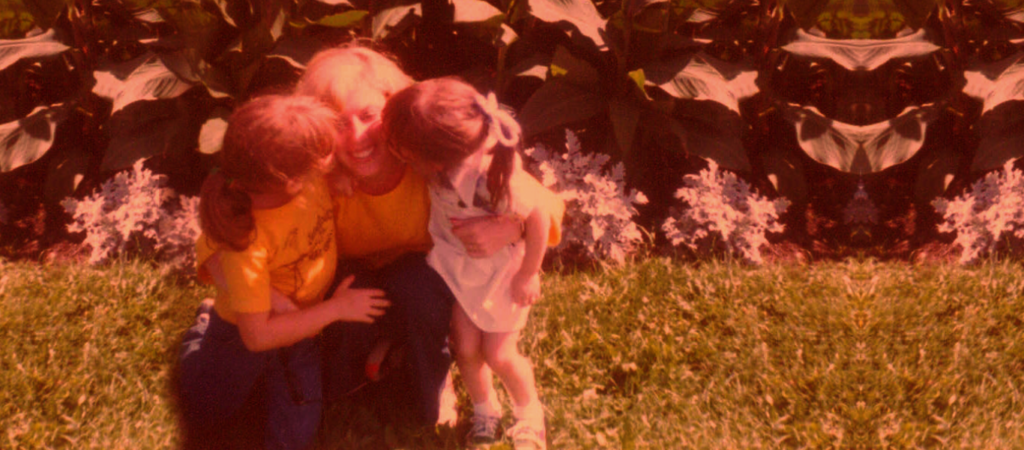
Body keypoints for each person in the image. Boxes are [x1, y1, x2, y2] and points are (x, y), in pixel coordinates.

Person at [293, 45, 563, 429]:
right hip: (353, 279)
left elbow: (546, 206)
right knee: (348, 322)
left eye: (369, 115)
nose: (356, 137)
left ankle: (435, 383)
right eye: (337, 123)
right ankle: (366, 362)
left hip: (427, 276)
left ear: (398, 109)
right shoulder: (321, 180)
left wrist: (510, 227)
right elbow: (267, 232)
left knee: (420, 292)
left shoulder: (426, 157)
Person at [175, 94, 390, 450]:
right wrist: (335, 310)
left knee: (297, 435)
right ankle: (200, 335)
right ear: (287, 179)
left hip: (299, 330)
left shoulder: (307, 181)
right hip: (241, 335)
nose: (332, 156)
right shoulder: (247, 238)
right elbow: (257, 337)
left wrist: (336, 180)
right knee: (207, 411)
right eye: (322, 155)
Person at [382, 77, 556, 450]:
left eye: (408, 154)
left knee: (499, 354)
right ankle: (484, 408)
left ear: (436, 158)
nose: (403, 159)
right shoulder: (446, 158)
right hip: (460, 268)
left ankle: (529, 415)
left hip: (503, 275)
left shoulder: (494, 174)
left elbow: (540, 214)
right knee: (465, 348)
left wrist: (529, 273)